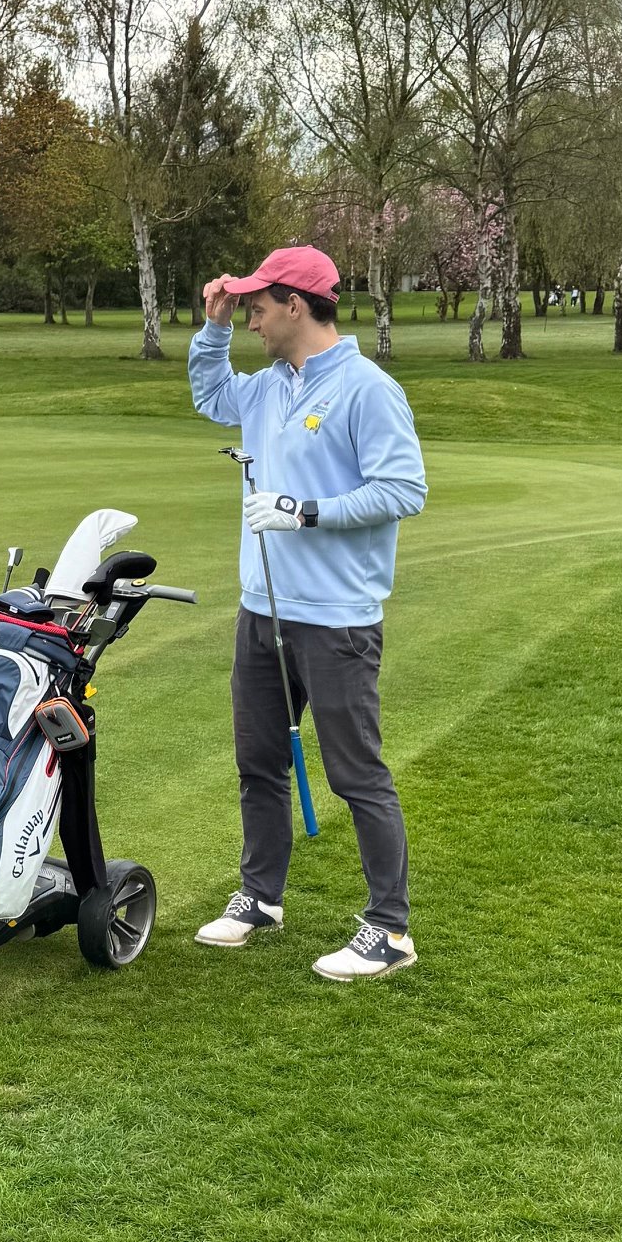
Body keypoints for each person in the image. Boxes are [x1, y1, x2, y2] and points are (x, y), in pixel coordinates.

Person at [188, 243, 427, 979]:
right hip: (262, 609)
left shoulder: (367, 389)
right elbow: (211, 396)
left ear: (296, 305)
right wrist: (212, 327)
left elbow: (403, 490)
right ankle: (261, 897)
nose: (252, 320)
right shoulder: (268, 388)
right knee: (258, 762)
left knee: (356, 774)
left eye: (258, 307)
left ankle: (390, 930)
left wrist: (305, 511)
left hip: (336, 616)